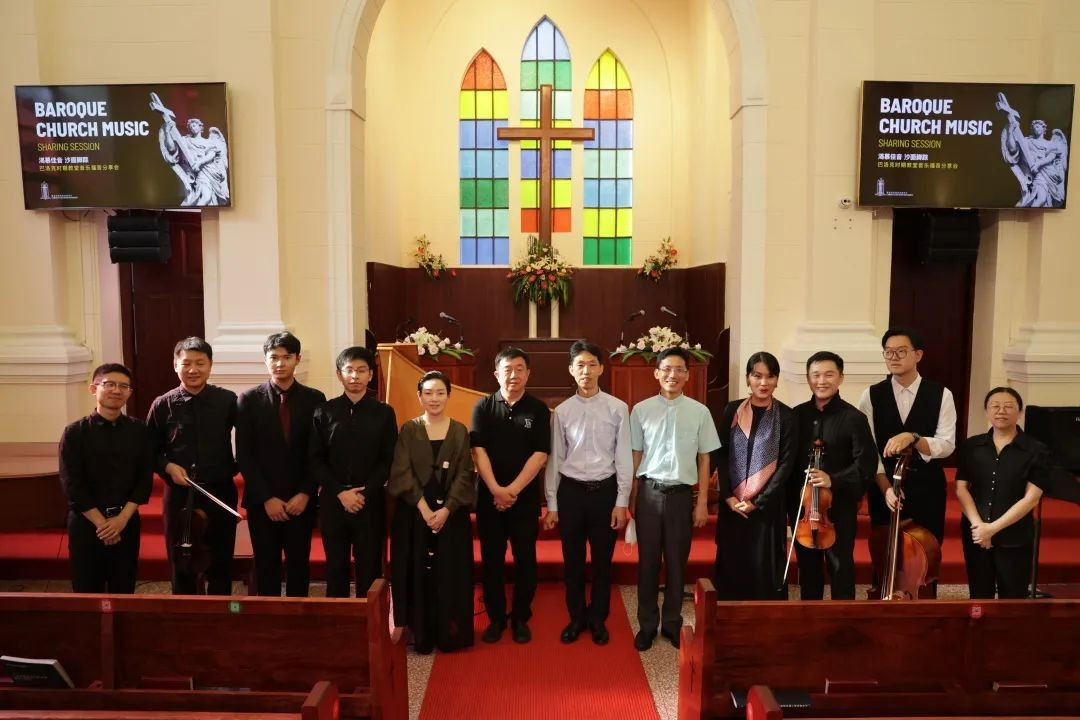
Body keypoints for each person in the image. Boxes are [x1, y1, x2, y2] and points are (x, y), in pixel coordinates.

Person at [631, 347, 721, 650]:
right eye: (666, 369)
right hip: (649, 493)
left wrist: (701, 502)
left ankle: (671, 623)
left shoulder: (699, 412)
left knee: (677, 563)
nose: (673, 375)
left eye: (679, 369)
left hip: (682, 496)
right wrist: (629, 500)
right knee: (647, 564)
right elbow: (635, 456)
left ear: (687, 374)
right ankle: (646, 625)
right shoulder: (641, 410)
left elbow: (705, 459)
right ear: (656, 372)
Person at [544, 341, 632, 645]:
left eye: (592, 364)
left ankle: (598, 619)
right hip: (571, 493)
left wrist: (622, 501)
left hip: (604, 492)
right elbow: (555, 458)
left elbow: (622, 457)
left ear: (602, 368)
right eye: (580, 365)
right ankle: (576, 617)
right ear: (571, 370)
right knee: (573, 561)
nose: (586, 370)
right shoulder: (562, 412)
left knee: (602, 563)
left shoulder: (617, 407)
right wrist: (552, 503)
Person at [857, 328, 956, 595]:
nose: (894, 357)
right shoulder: (871, 395)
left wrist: (913, 438)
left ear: (918, 355)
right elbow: (869, 450)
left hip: (927, 489)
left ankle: (923, 609)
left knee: (925, 560)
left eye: (901, 351)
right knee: (885, 559)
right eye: (888, 352)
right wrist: (885, 487)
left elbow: (947, 445)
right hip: (884, 488)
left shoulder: (941, 394)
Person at [388, 371, 476, 654]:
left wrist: (447, 510)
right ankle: (422, 634)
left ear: (449, 395)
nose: (434, 398)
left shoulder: (460, 430)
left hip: (451, 517)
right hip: (416, 515)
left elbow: (465, 474)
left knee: (450, 574)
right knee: (418, 573)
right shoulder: (409, 429)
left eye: (440, 392)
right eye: (428, 393)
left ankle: (450, 633)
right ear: (420, 396)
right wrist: (426, 510)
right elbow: (401, 472)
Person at [236, 332, 326, 597]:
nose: (280, 363)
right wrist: (267, 498)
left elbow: (318, 453)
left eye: (287, 357)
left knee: (299, 565)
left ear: (297, 360)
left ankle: (299, 620)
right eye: (274, 357)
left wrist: (305, 493)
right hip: (263, 501)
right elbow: (244, 454)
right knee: (266, 566)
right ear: (265, 360)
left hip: (301, 500)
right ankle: (269, 623)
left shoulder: (315, 399)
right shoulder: (249, 400)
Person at [147, 337, 239, 595]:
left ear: (210, 366)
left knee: (220, 560)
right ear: (175, 365)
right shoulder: (162, 404)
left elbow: (249, 440)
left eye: (200, 363)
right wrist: (167, 466)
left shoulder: (227, 401)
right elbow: (150, 451)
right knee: (181, 561)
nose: (193, 369)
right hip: (179, 494)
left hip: (219, 490)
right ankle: (184, 616)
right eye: (186, 363)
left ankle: (220, 615)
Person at [471, 347, 550, 644]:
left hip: (524, 500)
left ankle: (520, 617)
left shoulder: (538, 409)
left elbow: (540, 455)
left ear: (528, 373)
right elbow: (478, 451)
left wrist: (512, 491)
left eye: (519, 369)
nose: (513, 375)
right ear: (496, 374)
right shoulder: (483, 407)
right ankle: (495, 618)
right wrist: (496, 490)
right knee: (491, 561)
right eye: (507, 369)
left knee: (525, 561)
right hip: (490, 500)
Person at [310, 346, 398, 598]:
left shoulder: (383, 413)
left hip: (369, 501)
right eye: (349, 370)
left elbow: (388, 459)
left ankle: (369, 625)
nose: (355, 376)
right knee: (335, 566)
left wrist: (365, 492)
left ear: (370, 374)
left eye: (361, 371)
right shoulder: (324, 411)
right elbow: (315, 460)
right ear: (339, 375)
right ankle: (338, 625)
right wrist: (340, 493)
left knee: (369, 568)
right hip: (333, 501)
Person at [59, 363, 153, 593]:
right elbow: (72, 485)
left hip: (126, 522)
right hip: (87, 524)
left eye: (123, 386)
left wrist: (121, 520)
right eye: (109, 384)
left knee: (124, 587)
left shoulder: (140, 431)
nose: (116, 390)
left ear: (129, 393)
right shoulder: (74, 433)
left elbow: (144, 479)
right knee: (86, 588)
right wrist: (102, 524)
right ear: (94, 389)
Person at [791, 351, 877, 601]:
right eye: (815, 375)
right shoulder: (797, 416)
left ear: (841, 378)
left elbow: (866, 464)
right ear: (808, 379)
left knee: (840, 567)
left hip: (837, 508)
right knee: (808, 569)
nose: (822, 380)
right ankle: (810, 619)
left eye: (829, 375)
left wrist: (833, 479)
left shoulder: (854, 418)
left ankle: (842, 621)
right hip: (805, 508)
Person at [714, 351, 797, 601]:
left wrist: (758, 502)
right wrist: (727, 496)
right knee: (732, 564)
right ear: (748, 378)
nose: (763, 383)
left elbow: (785, 465)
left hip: (767, 507)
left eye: (770, 377)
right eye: (757, 376)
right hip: (732, 505)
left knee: (764, 567)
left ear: (777, 380)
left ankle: (765, 623)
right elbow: (722, 455)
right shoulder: (731, 410)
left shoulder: (787, 416)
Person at [956, 387, 1052, 599]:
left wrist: (992, 529)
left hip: (1014, 533)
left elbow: (1031, 498)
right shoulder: (972, 446)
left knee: (1013, 595)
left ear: (1020, 412)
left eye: (1008, 406)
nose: (1001, 411)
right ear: (986, 411)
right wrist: (979, 527)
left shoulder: (1036, 449)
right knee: (979, 594)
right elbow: (961, 489)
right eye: (995, 406)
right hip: (976, 533)